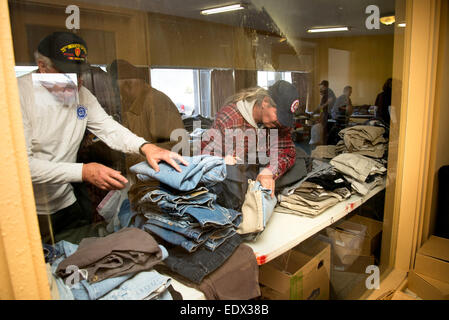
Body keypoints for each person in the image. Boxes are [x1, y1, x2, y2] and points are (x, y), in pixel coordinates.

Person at [17, 32, 187, 242]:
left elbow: (109, 128)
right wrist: (84, 171)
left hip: (68, 202)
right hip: (28, 210)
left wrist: (145, 147)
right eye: (67, 74)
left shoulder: (82, 95)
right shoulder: (17, 96)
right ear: (43, 67)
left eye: (80, 74)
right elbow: (22, 166)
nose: (77, 82)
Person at [200, 80, 299, 197]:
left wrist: (269, 171)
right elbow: (203, 159)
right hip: (235, 183)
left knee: (298, 165)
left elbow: (287, 152)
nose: (280, 122)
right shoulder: (230, 119)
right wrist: (222, 160)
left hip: (261, 177)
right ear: (265, 102)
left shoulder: (278, 124)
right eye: (279, 115)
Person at [107, 59, 187, 169]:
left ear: (128, 85)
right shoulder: (131, 103)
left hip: (159, 175)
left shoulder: (156, 102)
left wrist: (132, 158)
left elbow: (177, 147)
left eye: (119, 90)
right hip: (143, 173)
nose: (119, 95)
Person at [317, 80, 336, 144]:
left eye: (321, 86)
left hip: (330, 114)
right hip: (326, 113)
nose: (320, 88)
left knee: (326, 129)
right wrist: (321, 112)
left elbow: (330, 100)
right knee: (324, 129)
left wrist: (323, 106)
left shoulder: (329, 91)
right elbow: (322, 106)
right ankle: (324, 142)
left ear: (324, 86)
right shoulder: (324, 94)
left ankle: (326, 143)